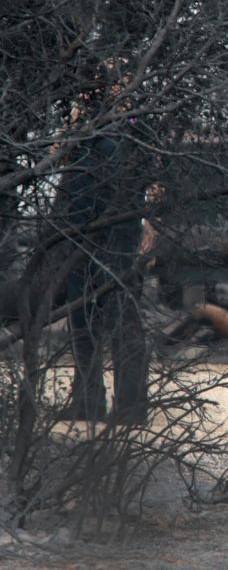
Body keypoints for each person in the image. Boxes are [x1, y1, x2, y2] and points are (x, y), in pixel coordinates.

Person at [58, 59, 154, 424]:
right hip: (80, 233)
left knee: (122, 318)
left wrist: (151, 230)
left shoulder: (139, 125)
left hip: (121, 235)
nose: (100, 87)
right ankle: (87, 400)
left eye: (110, 79)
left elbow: (158, 181)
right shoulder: (84, 127)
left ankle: (131, 405)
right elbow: (56, 157)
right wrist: (76, 118)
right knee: (81, 319)